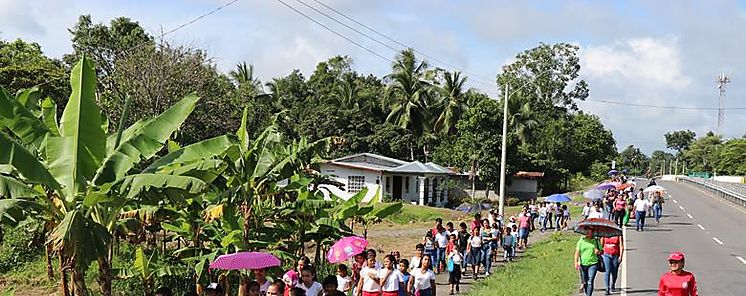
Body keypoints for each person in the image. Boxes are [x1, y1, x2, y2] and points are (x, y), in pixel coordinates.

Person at [574, 229, 602, 296]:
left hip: (593, 263)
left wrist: (598, 251)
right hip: (583, 264)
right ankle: (587, 293)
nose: (587, 232)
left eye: (589, 231)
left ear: (592, 232)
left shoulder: (596, 240)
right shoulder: (581, 240)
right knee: (585, 282)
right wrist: (576, 261)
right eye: (586, 231)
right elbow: (577, 252)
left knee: (590, 281)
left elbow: (601, 251)